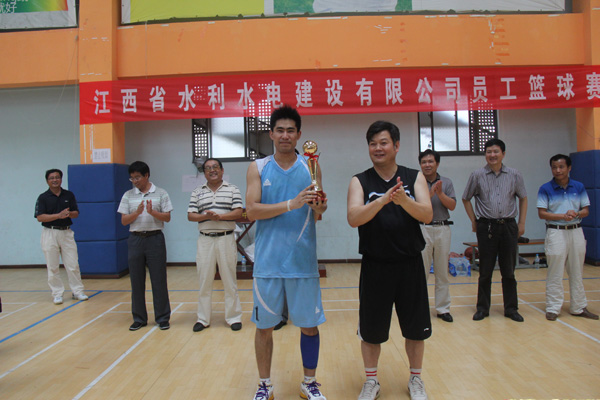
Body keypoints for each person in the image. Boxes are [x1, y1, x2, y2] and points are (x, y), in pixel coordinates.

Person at [246, 105, 328, 400]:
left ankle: (309, 382)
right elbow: (252, 210)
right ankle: (264, 385)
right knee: (264, 328)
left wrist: (319, 205)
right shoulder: (258, 167)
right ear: (271, 134)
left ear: (299, 134)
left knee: (309, 327)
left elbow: (319, 212)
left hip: (302, 262)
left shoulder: (311, 166)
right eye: (279, 130)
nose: (285, 135)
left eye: (290, 130)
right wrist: (292, 203)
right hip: (267, 263)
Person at [347, 121, 433, 400]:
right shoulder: (360, 180)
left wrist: (404, 201)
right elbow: (353, 218)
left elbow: (427, 215)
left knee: (415, 329)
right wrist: (381, 201)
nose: (378, 148)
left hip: (410, 264)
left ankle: (416, 379)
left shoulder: (414, 177)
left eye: (383, 143)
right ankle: (371, 381)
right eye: (373, 144)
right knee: (371, 331)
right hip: (375, 266)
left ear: (396, 146)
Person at [462, 138, 527, 322]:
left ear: (503, 154)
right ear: (485, 154)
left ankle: (511, 309)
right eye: (489, 152)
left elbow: (523, 198)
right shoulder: (477, 175)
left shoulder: (514, 175)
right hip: (486, 227)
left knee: (509, 270)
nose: (492, 155)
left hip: (508, 226)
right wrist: (474, 221)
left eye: (496, 151)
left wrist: (521, 223)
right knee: (485, 270)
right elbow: (466, 198)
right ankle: (482, 309)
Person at [537, 154, 599, 321]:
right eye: (554, 167)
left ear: (569, 168)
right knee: (555, 271)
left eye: (561, 167)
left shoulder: (579, 187)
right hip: (556, 232)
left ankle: (579, 307)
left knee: (577, 271)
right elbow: (542, 213)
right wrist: (562, 216)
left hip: (576, 231)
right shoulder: (545, 188)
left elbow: (585, 210)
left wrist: (576, 214)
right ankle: (553, 308)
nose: (558, 170)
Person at [187, 158, 244, 332]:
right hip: (205, 240)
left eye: (215, 167)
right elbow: (191, 215)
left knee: (229, 280)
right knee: (204, 280)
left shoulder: (232, 189)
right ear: (204, 173)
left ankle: (233, 317)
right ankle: (203, 319)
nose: (212, 170)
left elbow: (238, 212)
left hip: (226, 238)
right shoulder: (197, 191)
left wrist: (220, 217)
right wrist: (206, 217)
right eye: (208, 168)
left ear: (222, 170)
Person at [118, 161, 172, 331]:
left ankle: (162, 318)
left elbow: (167, 217)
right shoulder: (128, 195)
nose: (135, 181)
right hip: (135, 239)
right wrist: (137, 212)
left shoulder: (161, 193)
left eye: (137, 177)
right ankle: (139, 318)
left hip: (155, 238)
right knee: (136, 280)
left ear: (146, 175)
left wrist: (152, 212)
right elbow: (124, 221)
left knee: (159, 279)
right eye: (132, 178)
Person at [34, 169, 88, 305]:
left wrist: (68, 214)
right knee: (52, 266)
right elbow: (40, 217)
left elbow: (76, 213)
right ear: (47, 181)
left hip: (66, 232)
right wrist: (58, 215)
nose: (55, 180)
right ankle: (57, 293)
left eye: (57, 177)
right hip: (49, 233)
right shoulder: (43, 197)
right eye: (51, 178)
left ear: (61, 179)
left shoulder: (68, 195)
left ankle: (77, 291)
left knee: (73, 264)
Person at [418, 149, 456, 323]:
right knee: (421, 272)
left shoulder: (446, 182)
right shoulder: (416, 181)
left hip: (442, 228)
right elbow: (414, 206)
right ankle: (419, 309)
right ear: (420, 164)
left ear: (437, 163)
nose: (427, 165)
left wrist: (440, 194)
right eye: (424, 162)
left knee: (442, 272)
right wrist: (430, 194)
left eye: (430, 161)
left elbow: (452, 205)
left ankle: (443, 309)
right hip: (422, 229)